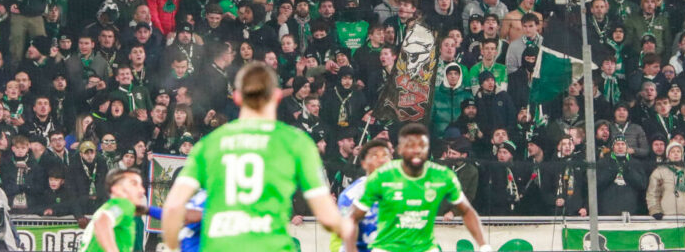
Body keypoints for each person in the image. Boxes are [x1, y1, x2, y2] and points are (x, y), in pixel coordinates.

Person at [161, 62, 354, 252]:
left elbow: (171, 209)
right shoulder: (296, 142)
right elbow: (327, 214)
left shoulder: (210, 144)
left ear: (236, 98)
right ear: (277, 96)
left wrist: (173, 247)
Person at [347, 123, 489, 252]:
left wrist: (483, 245)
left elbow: (467, 211)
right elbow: (354, 217)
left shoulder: (442, 174)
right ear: (401, 149)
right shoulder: (383, 175)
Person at [337, 140, 392, 252]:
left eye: (385, 155)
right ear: (364, 163)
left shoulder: (404, 189)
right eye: (375, 156)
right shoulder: (351, 195)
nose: (381, 160)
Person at [80, 167, 146, 252]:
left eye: (141, 185)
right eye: (134, 184)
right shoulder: (122, 205)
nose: (142, 190)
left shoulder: (115, 207)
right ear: (117, 189)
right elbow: (102, 222)